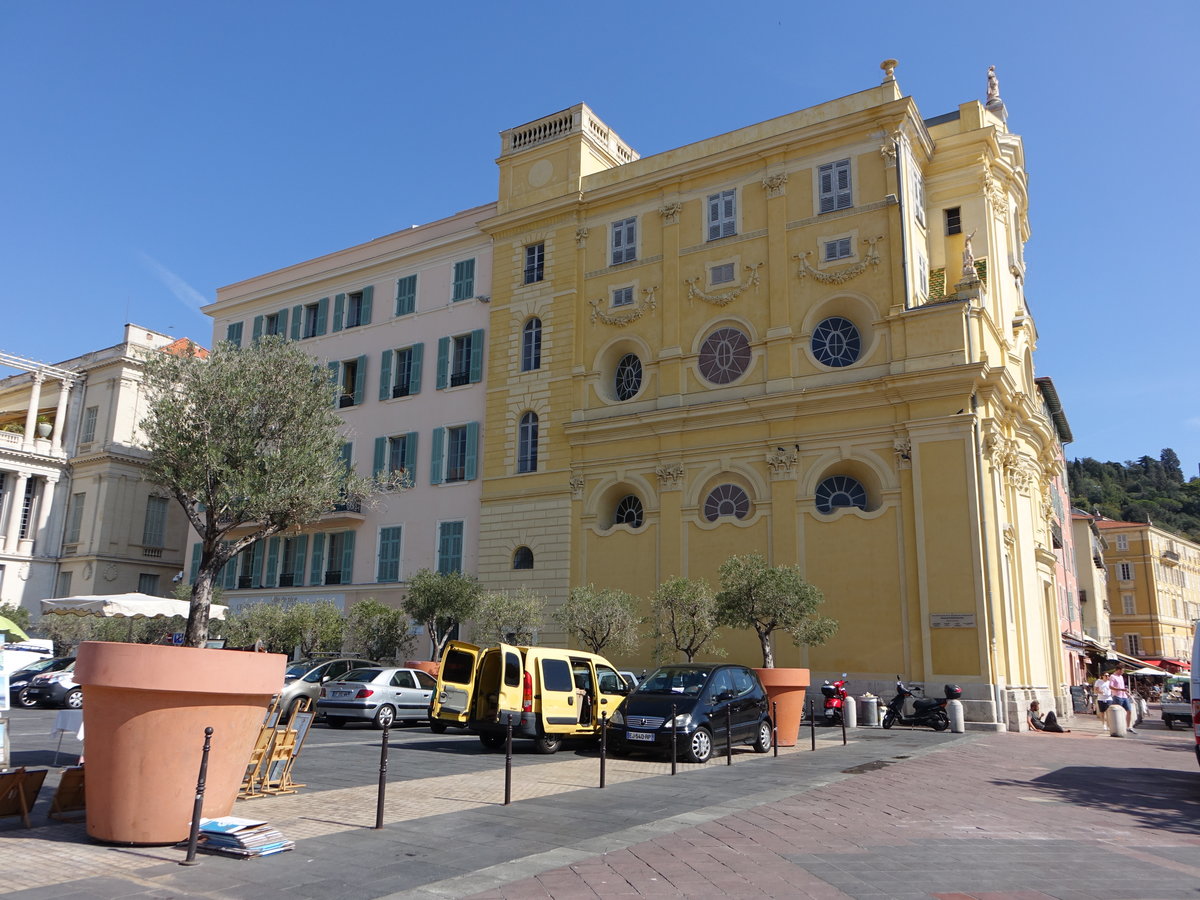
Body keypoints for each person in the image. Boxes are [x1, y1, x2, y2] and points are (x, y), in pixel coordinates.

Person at [1108, 665, 1135, 732]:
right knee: (1118, 711)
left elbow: (1122, 686)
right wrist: (1120, 689)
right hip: (1117, 696)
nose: (1123, 672)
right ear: (1118, 670)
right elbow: (1111, 686)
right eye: (1122, 670)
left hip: (1124, 696)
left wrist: (1126, 692)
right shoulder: (1112, 676)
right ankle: (1117, 726)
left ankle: (1128, 727)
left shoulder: (1121, 677)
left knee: (1129, 710)